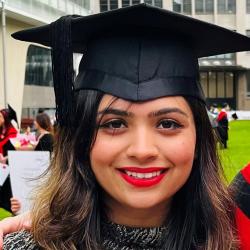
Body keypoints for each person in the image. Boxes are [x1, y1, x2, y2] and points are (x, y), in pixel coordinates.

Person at [2, 4, 250, 249]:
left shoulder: (233, 239)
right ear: (81, 138)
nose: (142, 151)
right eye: (115, 123)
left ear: (198, 139)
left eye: (167, 123)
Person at [0, 107, 18, 213]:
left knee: (6, 192)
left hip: (9, 171)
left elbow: (15, 154)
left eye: (0, 117)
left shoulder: (13, 134)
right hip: (0, 169)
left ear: (5, 119)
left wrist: (5, 159)